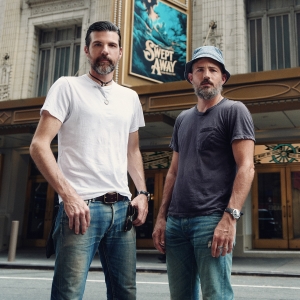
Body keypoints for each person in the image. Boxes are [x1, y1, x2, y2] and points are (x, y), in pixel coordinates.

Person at [30, 21, 150, 300]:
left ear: (120, 52)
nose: (104, 51)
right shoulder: (67, 87)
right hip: (80, 209)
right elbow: (39, 145)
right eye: (98, 44)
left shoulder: (130, 97)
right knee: (68, 294)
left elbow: (132, 151)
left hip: (122, 212)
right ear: (87, 50)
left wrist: (142, 193)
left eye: (111, 45)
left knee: (125, 294)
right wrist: (69, 197)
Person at [152, 46, 255, 300]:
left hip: (211, 221)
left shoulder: (235, 111)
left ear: (223, 78)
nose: (206, 74)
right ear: (191, 78)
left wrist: (229, 219)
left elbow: (247, 167)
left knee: (216, 296)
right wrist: (162, 217)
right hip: (176, 223)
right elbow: (173, 172)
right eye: (199, 69)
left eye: (213, 69)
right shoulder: (182, 119)